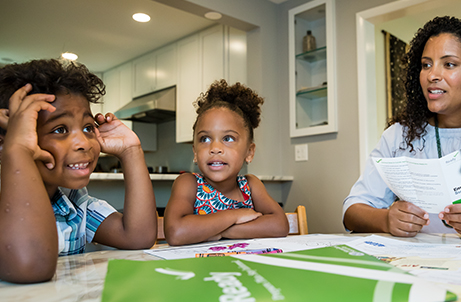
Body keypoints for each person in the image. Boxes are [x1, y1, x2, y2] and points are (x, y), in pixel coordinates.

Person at [0, 59, 157, 283]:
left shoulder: (75, 204)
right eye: (60, 129)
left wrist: (131, 151)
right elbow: (31, 267)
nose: (83, 142)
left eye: (87, 127)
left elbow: (138, 237)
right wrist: (17, 151)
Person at [343, 16, 461, 239]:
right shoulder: (400, 137)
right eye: (426, 65)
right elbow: (352, 211)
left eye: (449, 64)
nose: (432, 75)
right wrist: (385, 219)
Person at [164, 79, 289, 246]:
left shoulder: (251, 185)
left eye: (228, 138)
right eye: (205, 138)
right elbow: (176, 233)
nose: (215, 148)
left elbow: (279, 225)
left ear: (249, 152)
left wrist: (221, 232)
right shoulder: (188, 184)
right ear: (195, 152)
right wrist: (235, 216)